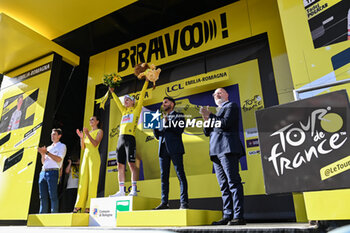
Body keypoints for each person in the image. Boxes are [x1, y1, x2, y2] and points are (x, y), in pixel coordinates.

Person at [200, 88, 246, 225]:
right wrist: (206, 118)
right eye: (215, 94)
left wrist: (211, 115)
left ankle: (238, 216)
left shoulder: (231, 106)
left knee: (233, 182)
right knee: (223, 186)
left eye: (220, 92)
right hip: (215, 151)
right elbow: (207, 132)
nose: (217, 95)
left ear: (227, 95)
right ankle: (227, 215)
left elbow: (225, 124)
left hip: (227, 149)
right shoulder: (216, 112)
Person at [109, 73, 150, 197]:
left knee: (131, 164)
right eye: (125, 100)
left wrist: (147, 81)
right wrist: (112, 93)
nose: (125, 102)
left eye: (128, 100)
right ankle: (121, 191)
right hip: (120, 139)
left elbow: (142, 94)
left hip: (130, 139)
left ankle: (133, 189)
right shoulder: (124, 111)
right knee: (119, 165)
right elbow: (117, 102)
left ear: (133, 101)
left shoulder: (136, 109)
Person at [153, 97, 188, 209]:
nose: (163, 104)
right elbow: (158, 135)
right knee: (164, 177)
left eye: (166, 102)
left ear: (172, 104)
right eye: (163, 103)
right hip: (162, 150)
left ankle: (184, 203)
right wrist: (154, 124)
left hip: (175, 149)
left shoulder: (180, 115)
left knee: (180, 175)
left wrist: (167, 122)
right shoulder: (161, 118)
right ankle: (164, 203)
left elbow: (179, 130)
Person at [74, 116, 103, 213]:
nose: (91, 121)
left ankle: (89, 207)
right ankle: (78, 206)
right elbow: (83, 147)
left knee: (92, 182)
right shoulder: (87, 133)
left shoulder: (99, 131)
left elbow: (95, 144)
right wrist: (82, 138)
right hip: (86, 157)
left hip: (94, 157)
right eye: (90, 120)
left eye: (93, 119)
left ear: (97, 122)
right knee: (83, 182)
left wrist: (87, 134)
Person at [38, 128, 67, 213]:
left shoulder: (62, 146)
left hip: (53, 171)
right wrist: (42, 154)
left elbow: (58, 159)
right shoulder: (48, 147)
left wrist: (47, 153)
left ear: (59, 136)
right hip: (43, 172)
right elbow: (43, 162)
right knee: (42, 196)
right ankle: (42, 215)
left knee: (53, 195)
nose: (52, 135)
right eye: (51, 134)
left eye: (54, 134)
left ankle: (53, 215)